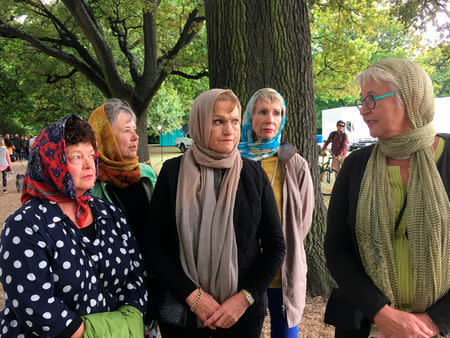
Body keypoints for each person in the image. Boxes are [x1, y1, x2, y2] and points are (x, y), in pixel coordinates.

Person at [324, 58, 450, 338]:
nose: (363, 111)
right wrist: (383, 314)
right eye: (361, 101)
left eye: (372, 100)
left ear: (411, 97)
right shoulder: (356, 165)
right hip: (366, 325)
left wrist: (434, 321)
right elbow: (337, 249)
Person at [145, 89, 286, 337]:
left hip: (241, 317)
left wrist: (244, 299)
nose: (229, 130)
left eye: (233, 121)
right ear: (199, 123)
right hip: (183, 314)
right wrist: (193, 296)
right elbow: (155, 246)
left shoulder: (253, 175)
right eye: (218, 121)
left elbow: (276, 246)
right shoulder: (172, 173)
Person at [0, 114, 148, 337]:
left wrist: (130, 318)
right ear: (52, 163)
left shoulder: (109, 214)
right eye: (76, 157)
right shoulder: (25, 225)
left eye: (91, 155)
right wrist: (96, 333)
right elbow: (34, 303)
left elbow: (136, 273)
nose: (90, 164)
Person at [238, 88, 315, 338]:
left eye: (277, 113)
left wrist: (278, 246)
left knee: (285, 333)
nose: (270, 119)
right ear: (250, 116)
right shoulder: (234, 162)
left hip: (281, 271)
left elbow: (303, 219)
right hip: (243, 271)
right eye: (262, 112)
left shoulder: (295, 164)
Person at [88, 98, 158, 336]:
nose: (136, 137)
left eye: (135, 130)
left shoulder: (146, 175)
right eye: (126, 130)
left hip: (151, 281)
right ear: (104, 137)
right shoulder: (89, 184)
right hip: (111, 292)